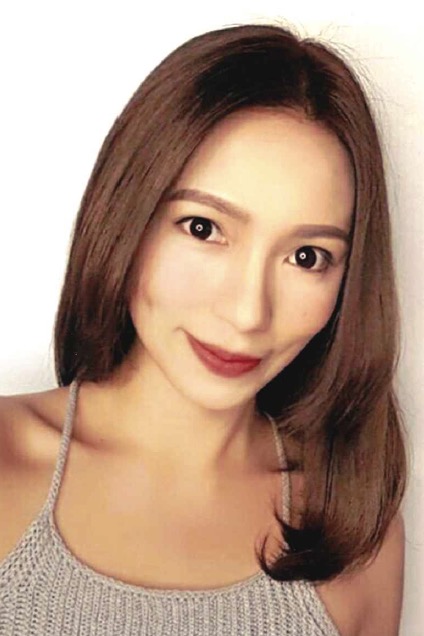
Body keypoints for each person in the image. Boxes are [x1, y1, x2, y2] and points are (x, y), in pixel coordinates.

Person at [0, 22, 406, 636]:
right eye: (203, 228)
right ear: (127, 215)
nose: (247, 313)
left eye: (307, 257)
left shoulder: (349, 532)